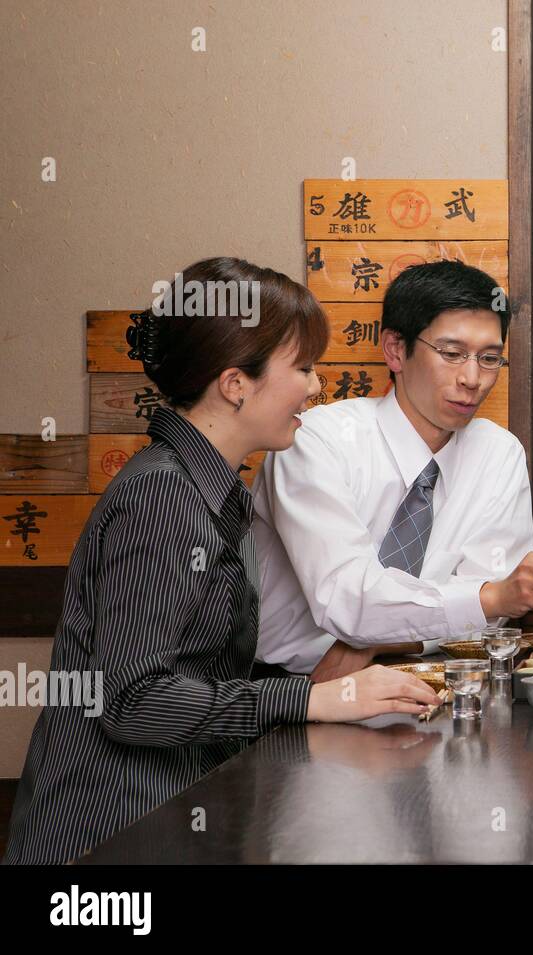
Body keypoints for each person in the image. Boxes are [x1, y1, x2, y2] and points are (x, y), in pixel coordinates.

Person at [3, 259, 442, 865]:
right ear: (236, 383)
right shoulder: (163, 495)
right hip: (111, 831)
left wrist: (320, 684)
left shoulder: (212, 491)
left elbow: (198, 672)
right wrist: (313, 700)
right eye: (303, 368)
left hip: (173, 814)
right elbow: (130, 700)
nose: (315, 388)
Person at [252, 260, 533, 680]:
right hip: (293, 683)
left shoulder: (498, 453)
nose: (473, 379)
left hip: (431, 675)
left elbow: (490, 616)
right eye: (452, 354)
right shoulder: (316, 442)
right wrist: (482, 600)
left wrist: (377, 642)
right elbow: (347, 600)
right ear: (395, 349)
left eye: (489, 359)